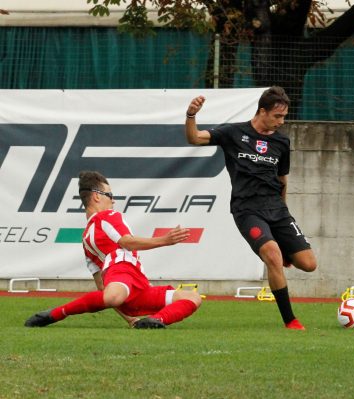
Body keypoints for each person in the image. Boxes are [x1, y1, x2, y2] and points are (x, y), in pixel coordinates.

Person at [185, 86, 317, 330]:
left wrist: (283, 213)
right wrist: (191, 116)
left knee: (309, 264)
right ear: (262, 111)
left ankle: (281, 249)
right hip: (247, 210)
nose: (282, 121)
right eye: (278, 116)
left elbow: (282, 181)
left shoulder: (281, 141)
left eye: (284, 116)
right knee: (272, 256)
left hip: (277, 210)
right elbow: (194, 138)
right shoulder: (234, 133)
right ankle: (291, 321)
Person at [25, 171, 202, 329]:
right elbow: (126, 242)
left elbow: (102, 287)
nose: (113, 200)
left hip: (138, 286)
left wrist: (130, 319)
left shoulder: (86, 237)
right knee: (112, 296)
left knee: (194, 297)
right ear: (96, 196)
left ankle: (155, 321)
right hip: (122, 275)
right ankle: (56, 313)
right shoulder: (108, 216)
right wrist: (164, 240)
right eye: (110, 194)